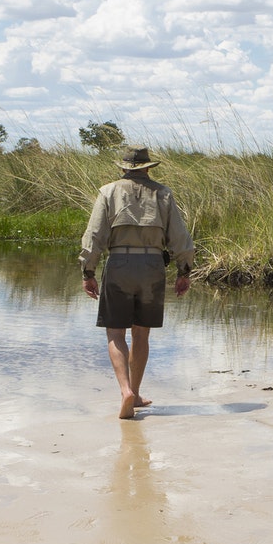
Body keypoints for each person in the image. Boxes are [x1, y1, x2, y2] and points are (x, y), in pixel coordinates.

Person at [80, 146, 194, 421]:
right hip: (153, 265)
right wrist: (184, 270)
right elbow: (180, 238)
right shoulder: (163, 194)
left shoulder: (108, 191)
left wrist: (88, 271)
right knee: (141, 333)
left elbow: (94, 235)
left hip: (119, 263)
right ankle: (137, 392)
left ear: (123, 167)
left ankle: (125, 391)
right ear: (147, 168)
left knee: (115, 332)